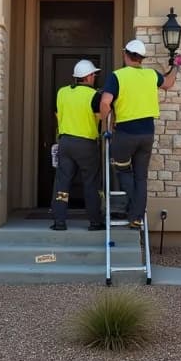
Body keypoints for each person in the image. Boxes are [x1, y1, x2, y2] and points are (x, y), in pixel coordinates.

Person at [98, 39, 178, 230]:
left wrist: (105, 125)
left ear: (126, 55)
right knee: (141, 177)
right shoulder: (151, 75)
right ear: (142, 58)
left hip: (126, 133)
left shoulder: (117, 76)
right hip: (147, 133)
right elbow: (168, 83)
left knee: (123, 170)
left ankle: (134, 210)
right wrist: (176, 66)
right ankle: (137, 217)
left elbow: (105, 102)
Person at [51, 59, 106, 232]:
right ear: (88, 77)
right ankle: (95, 222)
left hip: (65, 142)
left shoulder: (62, 92)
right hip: (86, 144)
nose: (95, 77)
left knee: (62, 182)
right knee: (90, 183)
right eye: (94, 75)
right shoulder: (94, 96)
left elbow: (57, 114)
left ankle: (59, 222)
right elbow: (102, 116)